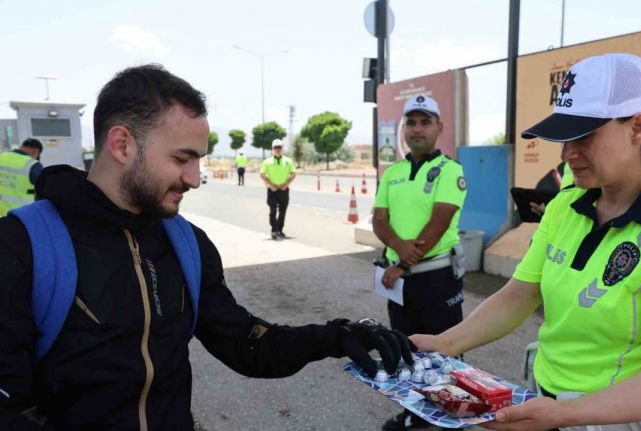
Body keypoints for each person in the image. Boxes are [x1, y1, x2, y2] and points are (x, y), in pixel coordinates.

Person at [0, 64, 414, 430]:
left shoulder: (186, 244)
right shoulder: (22, 247)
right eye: (182, 159)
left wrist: (337, 336)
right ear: (122, 145)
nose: (195, 179)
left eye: (199, 160)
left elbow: (248, 345)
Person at [411, 52, 641, 431]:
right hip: (552, 408)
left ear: (637, 127)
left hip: (630, 421)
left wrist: (566, 414)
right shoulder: (567, 205)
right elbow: (521, 293)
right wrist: (445, 344)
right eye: (564, 137)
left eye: (584, 136)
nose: (567, 154)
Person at [372, 94, 468, 430]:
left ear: (439, 127)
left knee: (444, 348)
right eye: (410, 122)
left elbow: (438, 223)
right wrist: (397, 251)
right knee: (405, 346)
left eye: (425, 121)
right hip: (400, 280)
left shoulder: (450, 170)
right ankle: (416, 412)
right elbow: (379, 221)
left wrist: (401, 264)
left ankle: (452, 414)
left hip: (436, 277)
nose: (416, 129)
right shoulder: (393, 173)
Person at [260, 139, 296, 240]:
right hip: (272, 190)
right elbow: (262, 174)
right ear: (272, 149)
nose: (277, 149)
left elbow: (293, 173)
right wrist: (271, 185)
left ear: (282, 149)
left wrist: (286, 183)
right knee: (273, 210)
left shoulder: (288, 161)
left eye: (279, 147)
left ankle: (280, 230)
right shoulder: (267, 162)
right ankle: (274, 230)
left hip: (284, 189)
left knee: (282, 210)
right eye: (275, 147)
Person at [0, 138, 44, 216]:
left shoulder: (1, 157)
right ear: (36, 151)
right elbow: (44, 189)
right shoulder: (33, 165)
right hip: (22, 216)